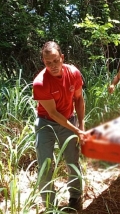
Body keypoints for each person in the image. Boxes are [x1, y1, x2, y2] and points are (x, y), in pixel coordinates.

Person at [33, 41, 85, 211]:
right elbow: (54, 114)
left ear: (62, 58)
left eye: (56, 61)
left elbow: (78, 99)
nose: (53, 66)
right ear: (44, 62)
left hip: (69, 119)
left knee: (72, 160)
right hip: (46, 122)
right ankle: (49, 206)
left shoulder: (74, 73)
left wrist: (82, 126)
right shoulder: (40, 83)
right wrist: (76, 130)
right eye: (48, 63)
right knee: (45, 164)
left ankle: (75, 198)